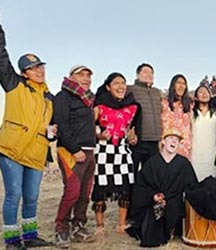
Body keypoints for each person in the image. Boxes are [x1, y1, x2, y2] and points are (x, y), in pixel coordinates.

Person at [0, 8, 53, 249]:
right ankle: (12, 240)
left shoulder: (48, 97)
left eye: (41, 66)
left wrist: (52, 132)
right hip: (12, 149)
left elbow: (53, 124)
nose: (40, 70)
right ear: (24, 72)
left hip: (35, 152)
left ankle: (31, 235)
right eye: (34, 68)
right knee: (14, 195)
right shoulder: (14, 84)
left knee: (32, 197)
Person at [90, 73, 142, 237]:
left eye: (123, 83)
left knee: (125, 188)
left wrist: (133, 138)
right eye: (116, 83)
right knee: (100, 188)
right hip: (103, 152)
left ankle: (121, 223)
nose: (121, 86)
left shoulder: (132, 107)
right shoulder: (98, 106)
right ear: (108, 87)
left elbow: (133, 131)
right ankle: (100, 225)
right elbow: (89, 128)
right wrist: (99, 136)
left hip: (123, 152)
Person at [126, 130, 198, 247]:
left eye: (177, 140)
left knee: (172, 211)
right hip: (153, 200)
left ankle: (171, 231)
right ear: (163, 141)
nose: (174, 141)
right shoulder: (152, 162)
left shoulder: (183, 163)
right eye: (171, 138)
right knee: (150, 223)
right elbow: (141, 186)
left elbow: (192, 186)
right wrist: (153, 196)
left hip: (174, 202)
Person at [53, 65, 96, 248]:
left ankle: (79, 226)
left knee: (85, 193)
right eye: (81, 75)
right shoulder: (63, 97)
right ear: (71, 77)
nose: (86, 78)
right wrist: (75, 149)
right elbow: (61, 125)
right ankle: (61, 228)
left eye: (88, 75)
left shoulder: (88, 100)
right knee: (72, 191)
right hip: (71, 151)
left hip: (89, 151)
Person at [127, 63, 162, 170]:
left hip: (154, 141)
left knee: (151, 174)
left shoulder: (156, 92)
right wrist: (129, 131)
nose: (149, 75)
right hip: (137, 140)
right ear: (137, 75)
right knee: (132, 173)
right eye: (145, 72)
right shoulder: (130, 89)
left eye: (152, 73)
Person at [191, 86, 216, 181]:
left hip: (212, 155)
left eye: (206, 92)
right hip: (195, 155)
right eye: (201, 92)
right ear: (195, 97)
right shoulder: (191, 113)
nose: (204, 94)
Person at [161, 74, 192, 159]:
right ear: (173, 85)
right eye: (178, 83)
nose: (181, 86)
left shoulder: (190, 105)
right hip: (168, 145)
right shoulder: (164, 103)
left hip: (185, 146)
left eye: (184, 83)